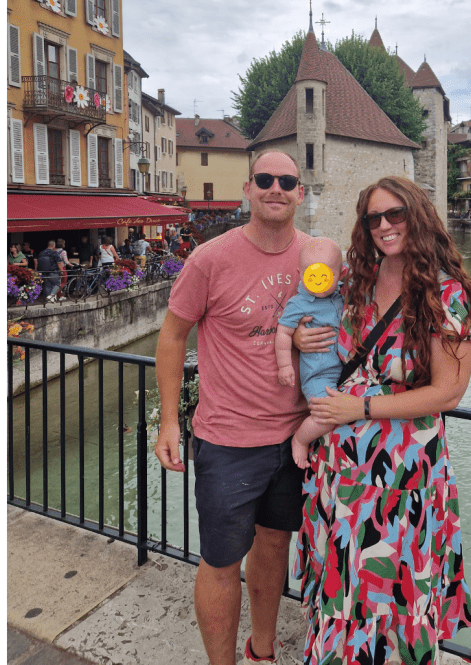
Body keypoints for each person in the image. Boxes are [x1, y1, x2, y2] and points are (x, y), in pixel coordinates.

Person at [292, 176, 471, 665]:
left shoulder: (445, 293)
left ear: (417, 216)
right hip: (340, 472)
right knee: (344, 587)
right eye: (373, 218)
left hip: (403, 475)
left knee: (394, 590)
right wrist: (299, 339)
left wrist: (359, 408)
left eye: (395, 214)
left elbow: (448, 392)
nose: (384, 225)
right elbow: (317, 332)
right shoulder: (354, 284)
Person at [153, 150, 311, 665]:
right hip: (227, 439)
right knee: (221, 561)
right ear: (248, 190)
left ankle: (261, 652)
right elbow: (173, 335)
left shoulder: (317, 258)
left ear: (300, 193)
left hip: (295, 438)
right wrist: (171, 421)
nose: (275, 188)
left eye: (287, 181)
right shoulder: (210, 258)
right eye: (264, 179)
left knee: (274, 546)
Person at [275, 237, 345, 469]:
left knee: (341, 412)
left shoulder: (341, 296)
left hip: (343, 374)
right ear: (301, 274)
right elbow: (283, 333)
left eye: (327, 276)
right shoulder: (299, 303)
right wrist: (285, 366)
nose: (320, 283)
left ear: (340, 274)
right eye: (312, 276)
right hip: (318, 375)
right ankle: (300, 439)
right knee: (326, 417)